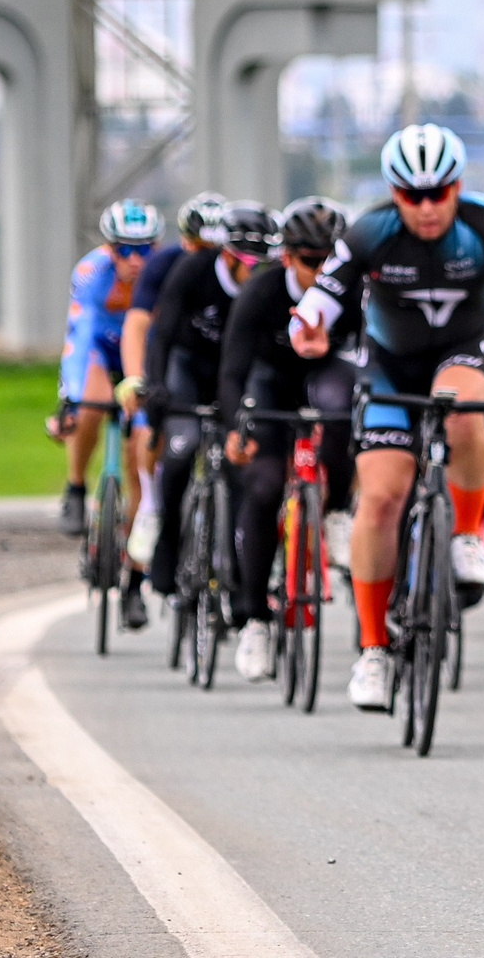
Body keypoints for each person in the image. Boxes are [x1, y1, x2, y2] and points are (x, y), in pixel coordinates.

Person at [289, 125, 484, 712]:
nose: (427, 208)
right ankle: (373, 650)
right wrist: (308, 326)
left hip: (465, 349)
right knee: (380, 499)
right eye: (412, 195)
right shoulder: (370, 231)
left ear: (457, 187)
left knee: (461, 414)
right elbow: (322, 296)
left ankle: (464, 537)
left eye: (439, 192)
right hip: (390, 365)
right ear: (393, 193)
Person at [220, 197, 361, 680]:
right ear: (287, 257)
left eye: (331, 262)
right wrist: (233, 428)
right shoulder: (260, 293)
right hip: (271, 386)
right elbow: (233, 371)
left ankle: (338, 510)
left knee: (342, 412)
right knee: (261, 489)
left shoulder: (353, 291)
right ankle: (255, 619)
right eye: (310, 262)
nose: (322, 273)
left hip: (327, 375)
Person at [129, 202, 269, 605]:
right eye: (249, 263)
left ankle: (239, 573)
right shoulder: (193, 271)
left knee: (240, 464)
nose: (256, 272)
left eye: (264, 264)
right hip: (187, 369)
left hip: (234, 375)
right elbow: (163, 337)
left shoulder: (260, 288)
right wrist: (155, 386)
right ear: (227, 255)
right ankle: (167, 544)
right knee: (182, 447)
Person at [52, 200, 163, 626]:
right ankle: (76, 487)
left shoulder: (162, 273)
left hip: (142, 355)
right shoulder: (90, 273)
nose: (135, 261)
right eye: (124, 250)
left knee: (142, 462)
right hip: (99, 350)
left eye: (144, 250)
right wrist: (71, 397)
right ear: (109, 248)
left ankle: (136, 583)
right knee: (89, 410)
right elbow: (78, 341)